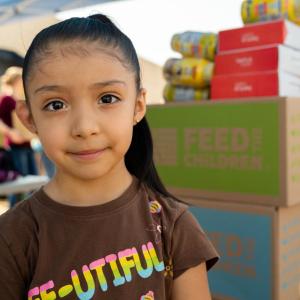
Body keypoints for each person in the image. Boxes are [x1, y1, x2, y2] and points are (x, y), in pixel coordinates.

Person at [0, 14, 219, 299]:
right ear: (28, 118)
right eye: (56, 104)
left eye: (107, 98)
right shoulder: (12, 238)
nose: (85, 128)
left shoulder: (173, 226)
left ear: (138, 106)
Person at [0, 66, 38, 207]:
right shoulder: (7, 99)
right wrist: (10, 133)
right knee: (18, 186)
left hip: (26, 144)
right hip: (16, 146)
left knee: (32, 182)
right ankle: (15, 216)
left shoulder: (18, 98)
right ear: (16, 80)